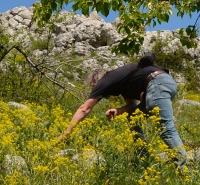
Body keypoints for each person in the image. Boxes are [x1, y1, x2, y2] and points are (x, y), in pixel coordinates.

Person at [59, 54, 187, 165]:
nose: (96, 89)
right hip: (166, 82)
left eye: (94, 86)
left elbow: (84, 109)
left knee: (166, 128)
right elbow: (132, 107)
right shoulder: (123, 82)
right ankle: (143, 156)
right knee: (133, 117)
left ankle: (184, 168)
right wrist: (118, 111)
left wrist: (65, 135)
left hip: (157, 83)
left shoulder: (105, 80)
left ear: (96, 80)